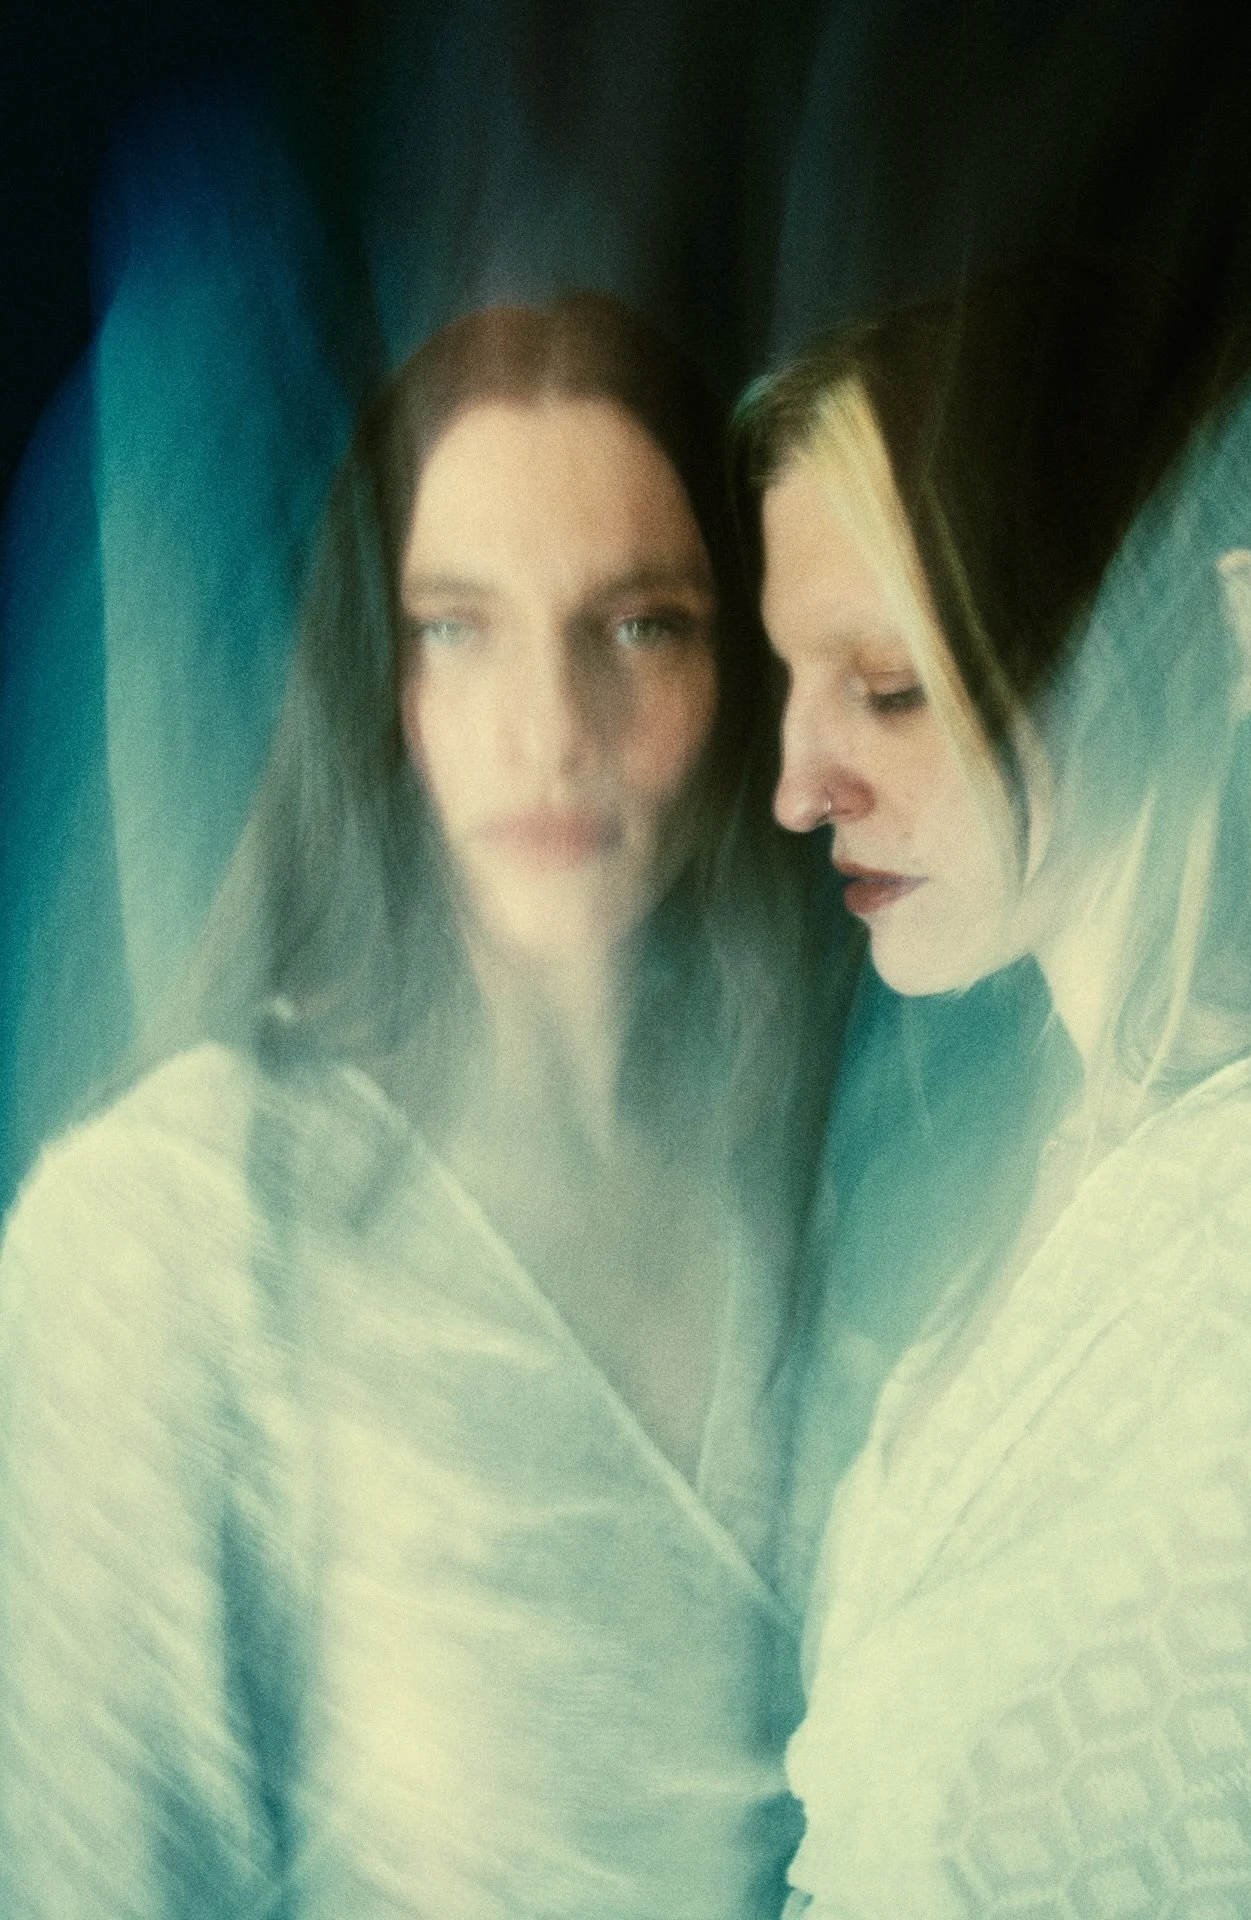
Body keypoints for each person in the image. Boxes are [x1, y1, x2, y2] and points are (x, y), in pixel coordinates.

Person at [0, 293, 842, 1919]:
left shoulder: (827, 1190)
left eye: (640, 626)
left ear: (742, 663)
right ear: (377, 678)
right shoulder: (174, 1226)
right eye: (459, 628)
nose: (551, 732)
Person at [740, 264, 1251, 1914]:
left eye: (889, 683)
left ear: (1227, 640)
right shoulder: (975, 1248)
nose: (795, 786)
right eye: (792, 682)